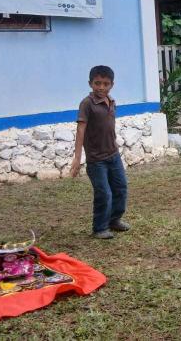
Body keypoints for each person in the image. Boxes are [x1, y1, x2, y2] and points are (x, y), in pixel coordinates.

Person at [70, 65, 130, 239]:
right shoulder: (87, 104)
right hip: (97, 160)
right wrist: (77, 158)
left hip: (114, 155)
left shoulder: (111, 101)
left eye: (105, 83)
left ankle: (114, 220)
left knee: (121, 188)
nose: (101, 87)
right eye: (97, 83)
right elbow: (81, 129)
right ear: (90, 83)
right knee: (104, 193)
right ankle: (100, 228)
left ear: (112, 84)